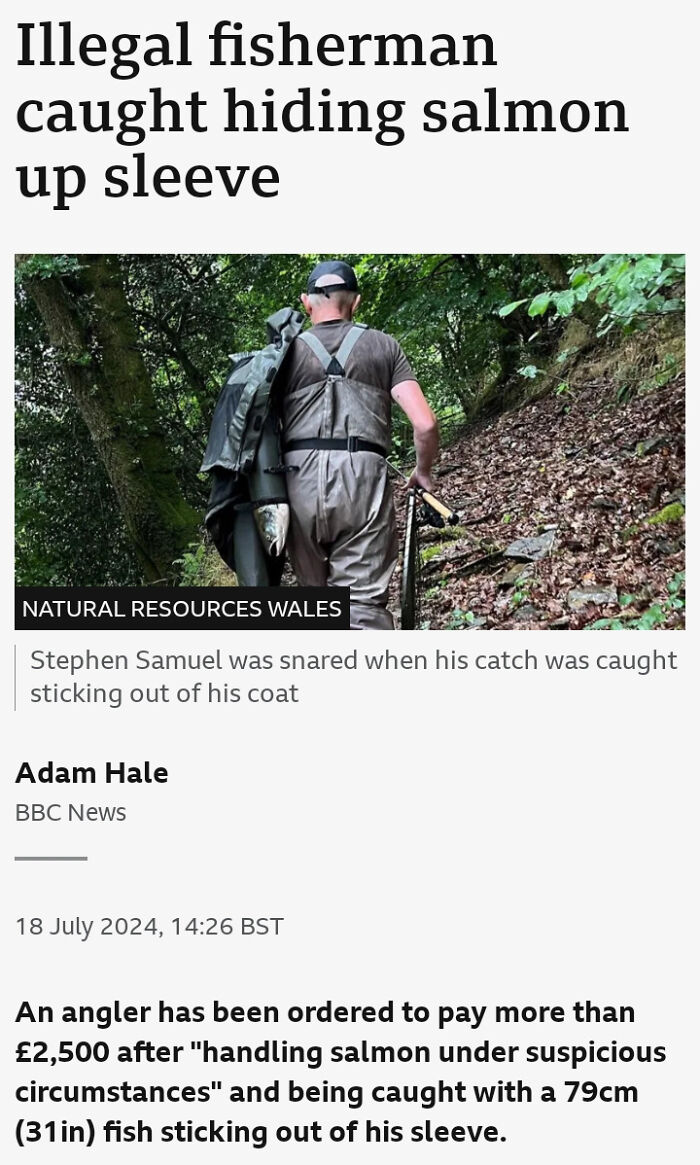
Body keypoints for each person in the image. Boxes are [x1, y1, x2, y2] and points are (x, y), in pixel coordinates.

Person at [278, 260, 438, 629]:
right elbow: (426, 424)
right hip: (362, 479)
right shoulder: (383, 346)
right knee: (360, 607)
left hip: (295, 480)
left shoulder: (284, 354)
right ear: (357, 301)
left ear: (307, 302)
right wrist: (423, 472)